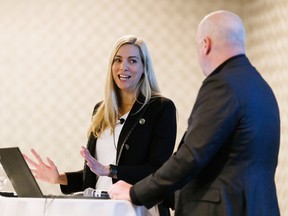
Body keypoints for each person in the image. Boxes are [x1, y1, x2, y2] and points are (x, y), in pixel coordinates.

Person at [108, 10, 281, 216]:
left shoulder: (221, 85)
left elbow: (191, 156)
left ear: (205, 44)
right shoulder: (260, 87)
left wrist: (135, 193)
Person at [24, 35, 177, 216]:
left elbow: (158, 170)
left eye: (133, 61)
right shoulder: (101, 110)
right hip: (99, 209)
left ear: (144, 67)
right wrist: (59, 178)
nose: (123, 67)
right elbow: (94, 176)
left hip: (139, 208)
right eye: (117, 60)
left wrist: (111, 171)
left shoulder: (160, 108)